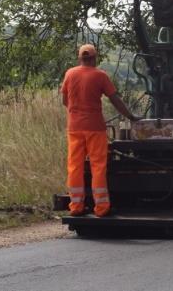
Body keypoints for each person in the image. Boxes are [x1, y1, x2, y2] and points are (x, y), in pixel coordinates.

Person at [61, 44, 138, 217]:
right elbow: (115, 100)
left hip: (74, 128)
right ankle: (101, 208)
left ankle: (76, 207)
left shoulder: (70, 74)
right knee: (98, 167)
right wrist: (131, 116)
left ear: (80, 58)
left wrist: (77, 111)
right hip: (95, 128)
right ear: (95, 58)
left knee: (74, 167)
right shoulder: (100, 75)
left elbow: (65, 101)